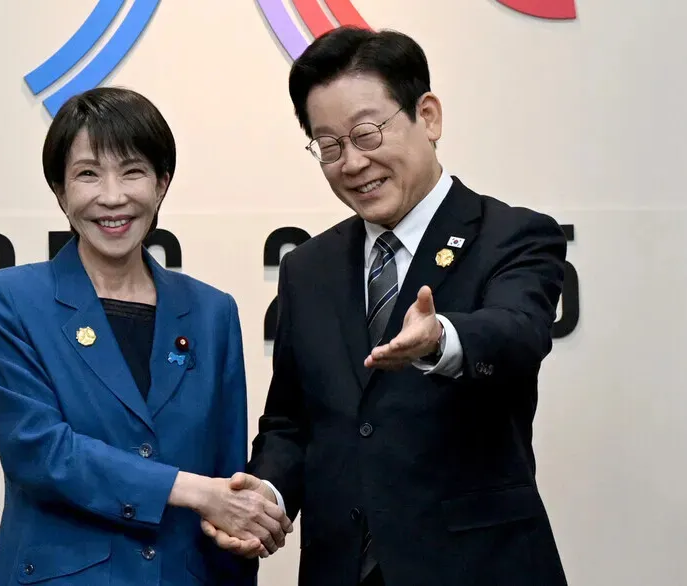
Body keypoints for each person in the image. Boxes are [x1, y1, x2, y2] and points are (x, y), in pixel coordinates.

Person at [203, 26, 569, 586]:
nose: (351, 163)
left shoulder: (514, 235)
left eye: (367, 133)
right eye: (329, 146)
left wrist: (442, 339)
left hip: (478, 567)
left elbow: (517, 333)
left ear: (428, 116)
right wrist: (268, 495)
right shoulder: (308, 268)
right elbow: (293, 421)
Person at [0, 87, 291, 586]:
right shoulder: (9, 299)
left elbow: (227, 481)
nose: (113, 196)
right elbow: (38, 451)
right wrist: (191, 490)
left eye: (133, 171)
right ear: (60, 190)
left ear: (162, 184)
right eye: (88, 174)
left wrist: (238, 523)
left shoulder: (211, 312)